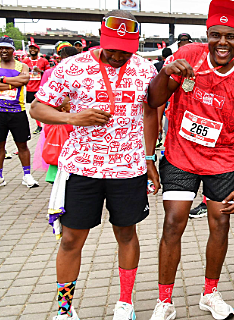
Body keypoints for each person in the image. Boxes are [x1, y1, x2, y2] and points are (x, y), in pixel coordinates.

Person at [30, 11, 157, 320]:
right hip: (81, 168)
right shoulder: (72, 67)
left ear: (135, 44)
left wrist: (150, 156)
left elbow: (152, 112)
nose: (116, 54)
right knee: (72, 238)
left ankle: (125, 303)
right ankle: (64, 309)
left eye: (124, 49)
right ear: (101, 37)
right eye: (111, 46)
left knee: (126, 234)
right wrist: (73, 117)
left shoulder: (146, 69)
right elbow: (37, 107)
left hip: (128, 169)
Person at [146, 1, 234, 319]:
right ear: (207, 34)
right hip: (180, 156)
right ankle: (164, 301)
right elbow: (154, 99)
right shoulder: (186, 57)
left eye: (230, 36)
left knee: (220, 224)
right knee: (173, 223)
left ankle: (210, 293)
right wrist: (167, 72)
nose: (222, 42)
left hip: (222, 161)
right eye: (215, 35)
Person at [37, 45, 81, 184]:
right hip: (61, 118)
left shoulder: (81, 74)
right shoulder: (52, 73)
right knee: (58, 145)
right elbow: (43, 99)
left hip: (71, 118)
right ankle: (58, 178)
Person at [0, 36, 40, 187]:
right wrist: (13, 83)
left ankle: (27, 175)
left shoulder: (22, 66)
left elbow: (24, 81)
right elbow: (19, 82)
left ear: (12, 50)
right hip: (0, 112)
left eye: (7, 48)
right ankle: (0, 176)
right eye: (1, 48)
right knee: (0, 145)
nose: (3, 51)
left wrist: (2, 80)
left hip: (18, 110)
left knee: (22, 145)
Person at [23, 41, 50, 135]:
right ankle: (39, 126)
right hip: (30, 88)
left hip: (41, 88)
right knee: (32, 107)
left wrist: (40, 71)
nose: (32, 50)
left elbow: (49, 74)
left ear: (38, 50)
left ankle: (47, 124)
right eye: (31, 48)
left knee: (43, 107)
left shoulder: (44, 61)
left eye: (34, 48)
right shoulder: (25, 61)